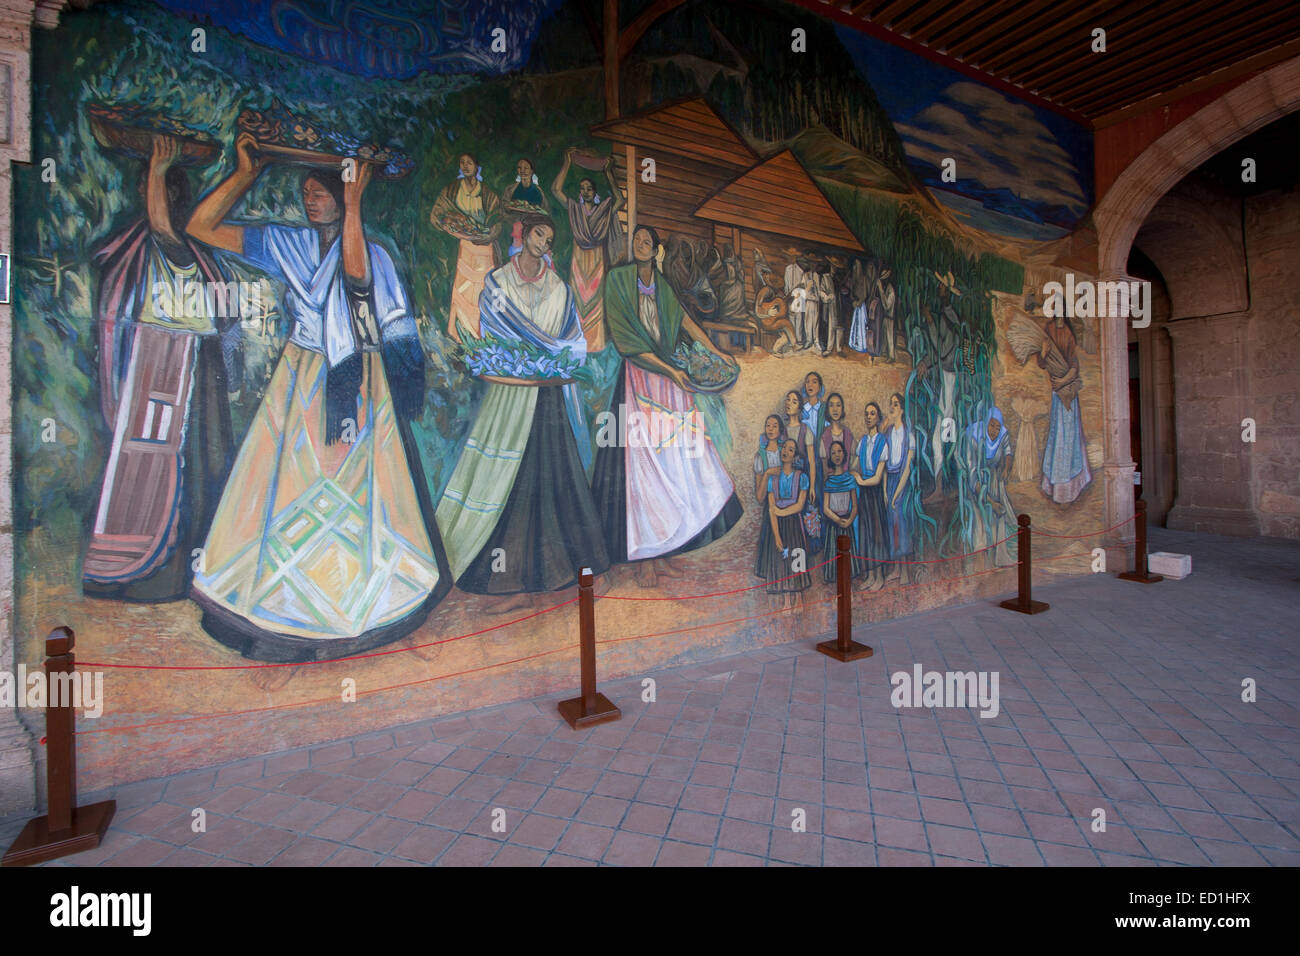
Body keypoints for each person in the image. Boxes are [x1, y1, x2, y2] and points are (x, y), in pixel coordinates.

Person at [185, 136, 451, 660]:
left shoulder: (373, 254)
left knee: (354, 487)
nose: (310, 201)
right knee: (283, 484)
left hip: (355, 379)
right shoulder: (288, 244)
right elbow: (201, 227)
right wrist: (245, 172)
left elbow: (356, 279)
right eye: (306, 193)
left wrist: (354, 202)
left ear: (343, 196)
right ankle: (281, 604)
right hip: (301, 373)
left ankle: (352, 602)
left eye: (321, 193)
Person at [83, 133, 242, 602]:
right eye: (148, 188)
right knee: (140, 467)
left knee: (189, 467)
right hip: (151, 364)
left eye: (160, 191)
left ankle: (176, 574)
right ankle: (139, 569)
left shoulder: (186, 252)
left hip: (188, 368)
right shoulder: (134, 249)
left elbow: (164, 233)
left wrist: (157, 165)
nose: (151, 197)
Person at [435, 214, 610, 607]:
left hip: (547, 397)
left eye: (548, 238)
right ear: (525, 234)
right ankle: (510, 582)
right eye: (538, 234)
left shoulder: (559, 289)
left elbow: (572, 339)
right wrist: (531, 355)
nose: (542, 243)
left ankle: (569, 573)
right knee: (510, 483)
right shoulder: (498, 281)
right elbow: (494, 331)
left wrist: (546, 356)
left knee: (557, 480)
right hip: (511, 396)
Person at [591, 224, 743, 589]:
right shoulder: (618, 281)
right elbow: (626, 341)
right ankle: (645, 557)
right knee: (644, 471)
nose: (641, 244)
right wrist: (671, 370)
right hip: (638, 379)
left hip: (668, 381)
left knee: (677, 463)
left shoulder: (661, 286)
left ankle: (667, 550)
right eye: (637, 240)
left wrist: (716, 352)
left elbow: (686, 322)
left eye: (647, 241)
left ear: (656, 250)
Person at [552, 148, 624, 352]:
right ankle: (575, 342)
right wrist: (567, 163)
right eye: (582, 188)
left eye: (589, 188)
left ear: (595, 192)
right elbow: (556, 190)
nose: (585, 192)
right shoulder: (575, 209)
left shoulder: (603, 211)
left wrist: (608, 173)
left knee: (596, 302)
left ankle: (594, 344)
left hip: (597, 259)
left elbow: (620, 200)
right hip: (578, 259)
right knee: (576, 299)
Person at [431, 152, 502, 343]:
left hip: (484, 249)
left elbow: (496, 220)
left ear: (477, 166)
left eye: (469, 162)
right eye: (462, 162)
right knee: (462, 290)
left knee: (482, 289)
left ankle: (482, 334)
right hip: (463, 247)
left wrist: (485, 234)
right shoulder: (453, 189)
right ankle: (460, 334)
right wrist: (453, 227)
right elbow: (438, 214)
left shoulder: (487, 193)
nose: (465, 166)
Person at [1032, 313, 1092, 503]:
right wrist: (1043, 352)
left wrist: (1063, 380)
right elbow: (1042, 362)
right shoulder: (1049, 329)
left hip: (1067, 392)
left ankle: (1070, 486)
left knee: (1069, 436)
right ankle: (1056, 486)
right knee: (1057, 434)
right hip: (1057, 393)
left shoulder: (1068, 332)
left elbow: (1074, 364)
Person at [917, 270, 964, 498]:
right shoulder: (946, 316)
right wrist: (924, 362)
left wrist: (930, 322)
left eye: (942, 287)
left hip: (950, 383)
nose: (939, 290)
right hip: (944, 383)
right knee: (942, 435)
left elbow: (943, 352)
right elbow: (935, 353)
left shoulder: (950, 319)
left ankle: (943, 486)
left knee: (943, 434)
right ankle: (943, 485)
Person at [755, 438, 812, 609]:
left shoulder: (801, 477)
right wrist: (777, 535)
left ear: (795, 456)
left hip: (794, 524)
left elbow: (799, 505)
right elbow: (771, 508)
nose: (786, 451)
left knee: (797, 558)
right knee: (783, 559)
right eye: (785, 448)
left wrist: (781, 512)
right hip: (778, 525)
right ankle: (787, 598)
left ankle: (799, 596)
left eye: (791, 449)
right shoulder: (773, 479)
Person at [963, 407, 1017, 567]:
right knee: (979, 516)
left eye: (998, 427)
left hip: (992, 478)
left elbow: (1008, 450)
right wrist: (990, 502)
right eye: (992, 425)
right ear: (986, 422)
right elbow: (972, 473)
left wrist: (1006, 469)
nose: (994, 431)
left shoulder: (1003, 434)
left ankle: (999, 557)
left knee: (998, 516)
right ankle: (980, 561)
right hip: (976, 483)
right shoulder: (973, 436)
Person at [852, 401, 889, 591]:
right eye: (866, 413)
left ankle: (879, 576)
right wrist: (852, 474)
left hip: (874, 492)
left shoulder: (882, 442)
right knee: (865, 532)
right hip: (864, 492)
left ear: (878, 417)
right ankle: (870, 575)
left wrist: (859, 480)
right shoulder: (863, 441)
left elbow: (877, 477)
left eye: (872, 413)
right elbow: (854, 466)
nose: (868, 417)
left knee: (876, 534)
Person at [881, 391, 916, 586]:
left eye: (896, 404)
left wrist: (896, 494)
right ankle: (895, 567)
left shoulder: (908, 435)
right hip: (890, 481)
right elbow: (885, 465)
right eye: (891, 403)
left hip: (903, 484)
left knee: (901, 524)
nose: (892, 407)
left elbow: (907, 467)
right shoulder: (887, 434)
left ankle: (905, 571)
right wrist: (886, 491)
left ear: (902, 409)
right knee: (890, 525)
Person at [820, 440, 862, 583]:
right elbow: (825, 508)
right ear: (830, 457)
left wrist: (849, 520)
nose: (837, 455)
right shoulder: (829, 481)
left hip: (847, 522)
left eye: (839, 451)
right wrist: (837, 520)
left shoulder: (850, 479)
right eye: (833, 453)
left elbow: (855, 506)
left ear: (844, 454)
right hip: (834, 524)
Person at [502, 157, 549, 257]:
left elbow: (544, 212)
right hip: (514, 227)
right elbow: (504, 207)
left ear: (531, 171)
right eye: (519, 168)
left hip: (533, 229)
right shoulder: (511, 189)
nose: (522, 170)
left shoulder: (537, 192)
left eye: (526, 168)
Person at [754, 269, 796, 356]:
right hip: (765, 321)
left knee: (785, 336)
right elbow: (757, 310)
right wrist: (767, 313)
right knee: (786, 324)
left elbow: (781, 304)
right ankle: (795, 346)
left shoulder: (778, 292)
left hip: (775, 320)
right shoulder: (765, 290)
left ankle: (776, 350)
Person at [818, 392, 854, 489]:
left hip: (847, 483)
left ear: (842, 409)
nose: (835, 409)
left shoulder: (848, 434)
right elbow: (824, 467)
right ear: (828, 410)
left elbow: (853, 462)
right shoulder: (824, 436)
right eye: (831, 405)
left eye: (838, 405)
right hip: (832, 484)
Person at [753, 414, 786, 501]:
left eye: (774, 426)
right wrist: (767, 473)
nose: (770, 429)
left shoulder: (785, 452)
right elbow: (760, 497)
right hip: (769, 501)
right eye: (768, 426)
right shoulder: (760, 456)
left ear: (780, 430)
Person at [784, 250, 808, 349]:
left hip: (799, 297)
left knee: (798, 320)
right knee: (791, 319)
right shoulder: (787, 269)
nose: (791, 258)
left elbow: (803, 286)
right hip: (790, 297)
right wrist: (788, 295)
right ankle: (792, 341)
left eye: (793, 256)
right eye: (790, 256)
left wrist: (798, 296)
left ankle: (799, 341)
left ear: (796, 258)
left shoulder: (801, 271)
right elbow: (786, 284)